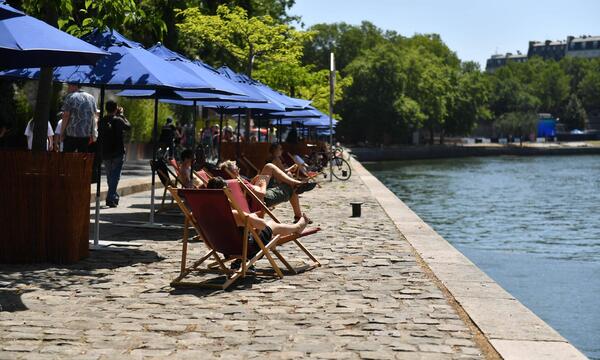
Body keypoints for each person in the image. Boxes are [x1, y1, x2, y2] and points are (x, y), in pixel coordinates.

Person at [206, 176, 309, 269]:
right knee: (270, 225)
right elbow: (261, 225)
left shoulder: (201, 212)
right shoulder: (232, 214)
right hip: (246, 249)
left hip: (223, 249)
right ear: (227, 192)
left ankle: (242, 260)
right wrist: (252, 217)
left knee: (260, 227)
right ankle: (297, 226)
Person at [219, 160, 316, 223]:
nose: (238, 169)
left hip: (253, 198)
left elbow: (247, 192)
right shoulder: (239, 181)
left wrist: (254, 182)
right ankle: (296, 185)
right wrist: (262, 183)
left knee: (269, 167)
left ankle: (296, 183)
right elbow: (261, 194)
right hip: (260, 200)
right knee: (291, 187)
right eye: (237, 168)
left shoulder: (230, 183)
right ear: (233, 171)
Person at [99, 100, 131, 207]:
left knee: (110, 176)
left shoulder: (102, 120)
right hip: (118, 152)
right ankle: (110, 198)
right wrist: (122, 115)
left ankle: (113, 197)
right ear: (116, 108)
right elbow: (128, 127)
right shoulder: (119, 120)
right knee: (115, 176)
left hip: (106, 152)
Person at [60, 84, 98, 153]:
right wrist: (93, 133)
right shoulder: (91, 98)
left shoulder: (70, 97)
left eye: (69, 86)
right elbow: (94, 116)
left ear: (74, 86)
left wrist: (62, 133)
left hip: (71, 134)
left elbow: (66, 115)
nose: (68, 88)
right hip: (86, 134)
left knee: (67, 159)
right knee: (83, 159)